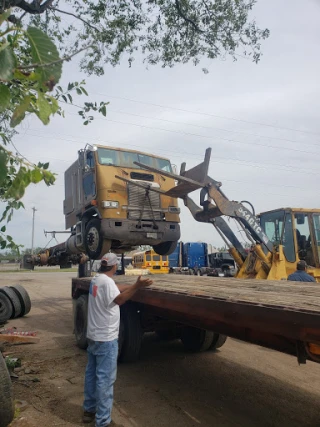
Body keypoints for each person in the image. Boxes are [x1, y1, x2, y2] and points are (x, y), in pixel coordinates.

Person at [83, 252, 153, 427]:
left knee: (91, 375)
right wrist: (136, 286)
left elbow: (113, 290)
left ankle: (89, 411)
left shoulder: (96, 279)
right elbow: (120, 299)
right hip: (106, 339)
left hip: (93, 336)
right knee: (105, 381)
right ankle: (103, 421)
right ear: (115, 266)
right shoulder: (107, 283)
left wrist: (129, 286)